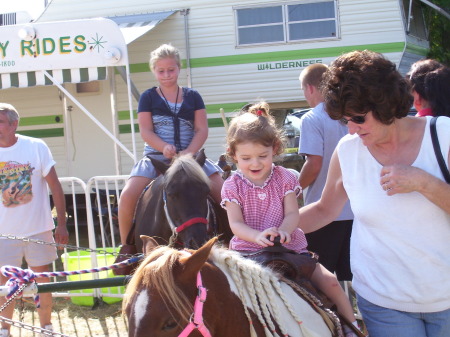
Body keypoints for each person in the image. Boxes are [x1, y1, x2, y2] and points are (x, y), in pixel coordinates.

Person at [298, 50, 450, 337]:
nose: (352, 130)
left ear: (386, 104)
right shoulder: (348, 150)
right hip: (383, 301)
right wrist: (271, 227)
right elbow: (324, 209)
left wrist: (424, 182)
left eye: (358, 118)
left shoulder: (443, 135)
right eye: (345, 121)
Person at [221, 102, 359, 336]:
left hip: (290, 249)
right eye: (246, 158)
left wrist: (285, 230)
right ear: (233, 155)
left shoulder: (285, 178)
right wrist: (257, 236)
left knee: (332, 282)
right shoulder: (232, 186)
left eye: (262, 156)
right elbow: (235, 225)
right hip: (247, 252)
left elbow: (293, 213)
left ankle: (351, 327)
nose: (255, 163)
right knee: (222, 292)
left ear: (275, 148)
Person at [118, 44, 223, 246]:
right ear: (154, 71)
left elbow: (201, 129)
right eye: (161, 71)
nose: (166, 75)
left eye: (171, 70)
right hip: (157, 157)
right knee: (128, 196)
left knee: (223, 191)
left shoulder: (193, 96)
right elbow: (146, 131)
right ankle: (126, 246)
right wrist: (163, 147)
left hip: (190, 157)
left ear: (178, 69)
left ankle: (235, 240)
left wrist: (190, 152)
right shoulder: (148, 97)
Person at [0, 103, 69, 337]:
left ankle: (46, 327)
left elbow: (56, 186)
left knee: (43, 281)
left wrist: (62, 223)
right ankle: (4, 329)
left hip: (37, 230)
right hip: (3, 233)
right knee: (4, 286)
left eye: (0, 122)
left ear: (13, 124)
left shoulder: (36, 146)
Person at [298, 63, 354, 281]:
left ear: (310, 88)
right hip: (354, 210)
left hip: (323, 211)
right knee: (351, 278)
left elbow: (314, 164)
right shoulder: (347, 115)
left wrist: (294, 188)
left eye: (303, 90)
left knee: (321, 278)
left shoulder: (312, 118)